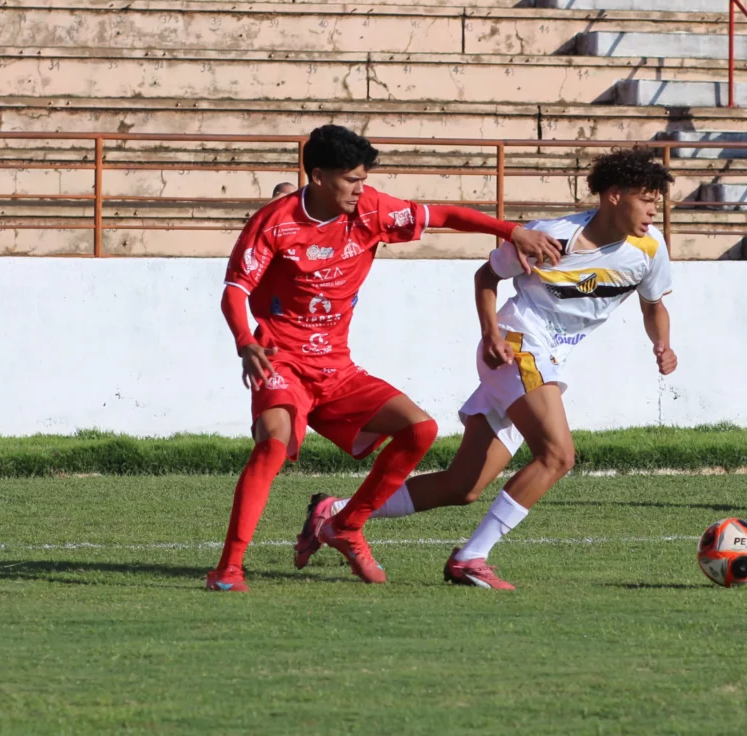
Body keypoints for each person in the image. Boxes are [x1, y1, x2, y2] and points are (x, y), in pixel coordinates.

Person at [298, 147, 679, 590]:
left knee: (464, 486)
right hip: (517, 346)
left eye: (658, 199)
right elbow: (485, 277)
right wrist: (490, 334)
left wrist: (662, 343)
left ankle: (335, 511)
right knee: (557, 456)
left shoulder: (650, 248)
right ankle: (470, 558)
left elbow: (654, 306)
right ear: (614, 196)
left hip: (546, 359)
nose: (654, 209)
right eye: (647, 197)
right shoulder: (551, 236)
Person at [207, 125, 562, 592]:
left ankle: (345, 524)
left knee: (420, 428)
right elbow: (234, 291)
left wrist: (511, 231)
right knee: (272, 443)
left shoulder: (372, 209)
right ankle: (228, 569)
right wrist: (245, 342)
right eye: (351, 179)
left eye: (363, 178)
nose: (361, 188)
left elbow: (446, 215)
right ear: (317, 176)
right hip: (281, 361)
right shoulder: (275, 222)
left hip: (337, 367)